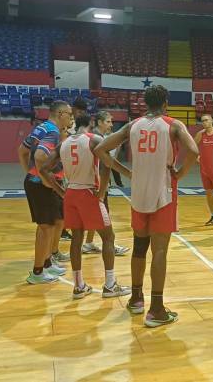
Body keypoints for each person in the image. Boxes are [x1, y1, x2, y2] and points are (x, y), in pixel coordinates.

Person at [95, 85, 198, 328]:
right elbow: (193, 150)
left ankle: (136, 298)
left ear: (145, 103)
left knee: (139, 247)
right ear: (165, 104)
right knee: (159, 250)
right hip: (163, 192)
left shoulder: (133, 125)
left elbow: (100, 149)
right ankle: (157, 309)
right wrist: (180, 173)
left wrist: (125, 172)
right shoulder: (173, 125)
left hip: (138, 194)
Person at [39, 114, 131, 299]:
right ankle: (110, 285)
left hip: (71, 193)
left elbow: (43, 169)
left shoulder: (63, 144)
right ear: (90, 124)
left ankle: (79, 286)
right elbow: (107, 164)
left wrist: (60, 190)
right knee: (108, 237)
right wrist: (103, 190)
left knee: (77, 239)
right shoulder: (93, 139)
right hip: (88, 192)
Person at [17, 100, 74, 284]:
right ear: (61, 114)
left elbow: (22, 151)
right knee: (45, 227)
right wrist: (43, 179)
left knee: (55, 222)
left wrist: (30, 172)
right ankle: (37, 272)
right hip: (41, 186)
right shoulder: (52, 132)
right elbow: (39, 156)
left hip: (38, 182)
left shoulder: (41, 128)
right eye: (69, 114)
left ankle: (48, 263)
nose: (71, 118)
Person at [81, 111, 129, 256]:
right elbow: (106, 164)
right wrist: (129, 174)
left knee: (96, 214)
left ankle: (88, 243)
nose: (111, 124)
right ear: (100, 122)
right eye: (108, 121)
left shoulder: (97, 136)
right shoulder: (97, 139)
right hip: (97, 182)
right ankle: (111, 245)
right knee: (104, 215)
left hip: (94, 181)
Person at [59, 98, 90, 241]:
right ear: (74, 109)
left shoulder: (80, 127)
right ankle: (63, 228)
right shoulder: (67, 125)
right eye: (80, 110)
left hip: (78, 165)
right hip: (66, 164)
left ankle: (71, 226)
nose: (81, 113)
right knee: (64, 197)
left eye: (83, 111)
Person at [193, 114, 213, 226]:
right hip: (205, 170)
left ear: (212, 120)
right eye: (202, 121)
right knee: (209, 194)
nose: (204, 122)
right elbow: (192, 147)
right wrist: (196, 156)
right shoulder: (201, 134)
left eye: (206, 120)